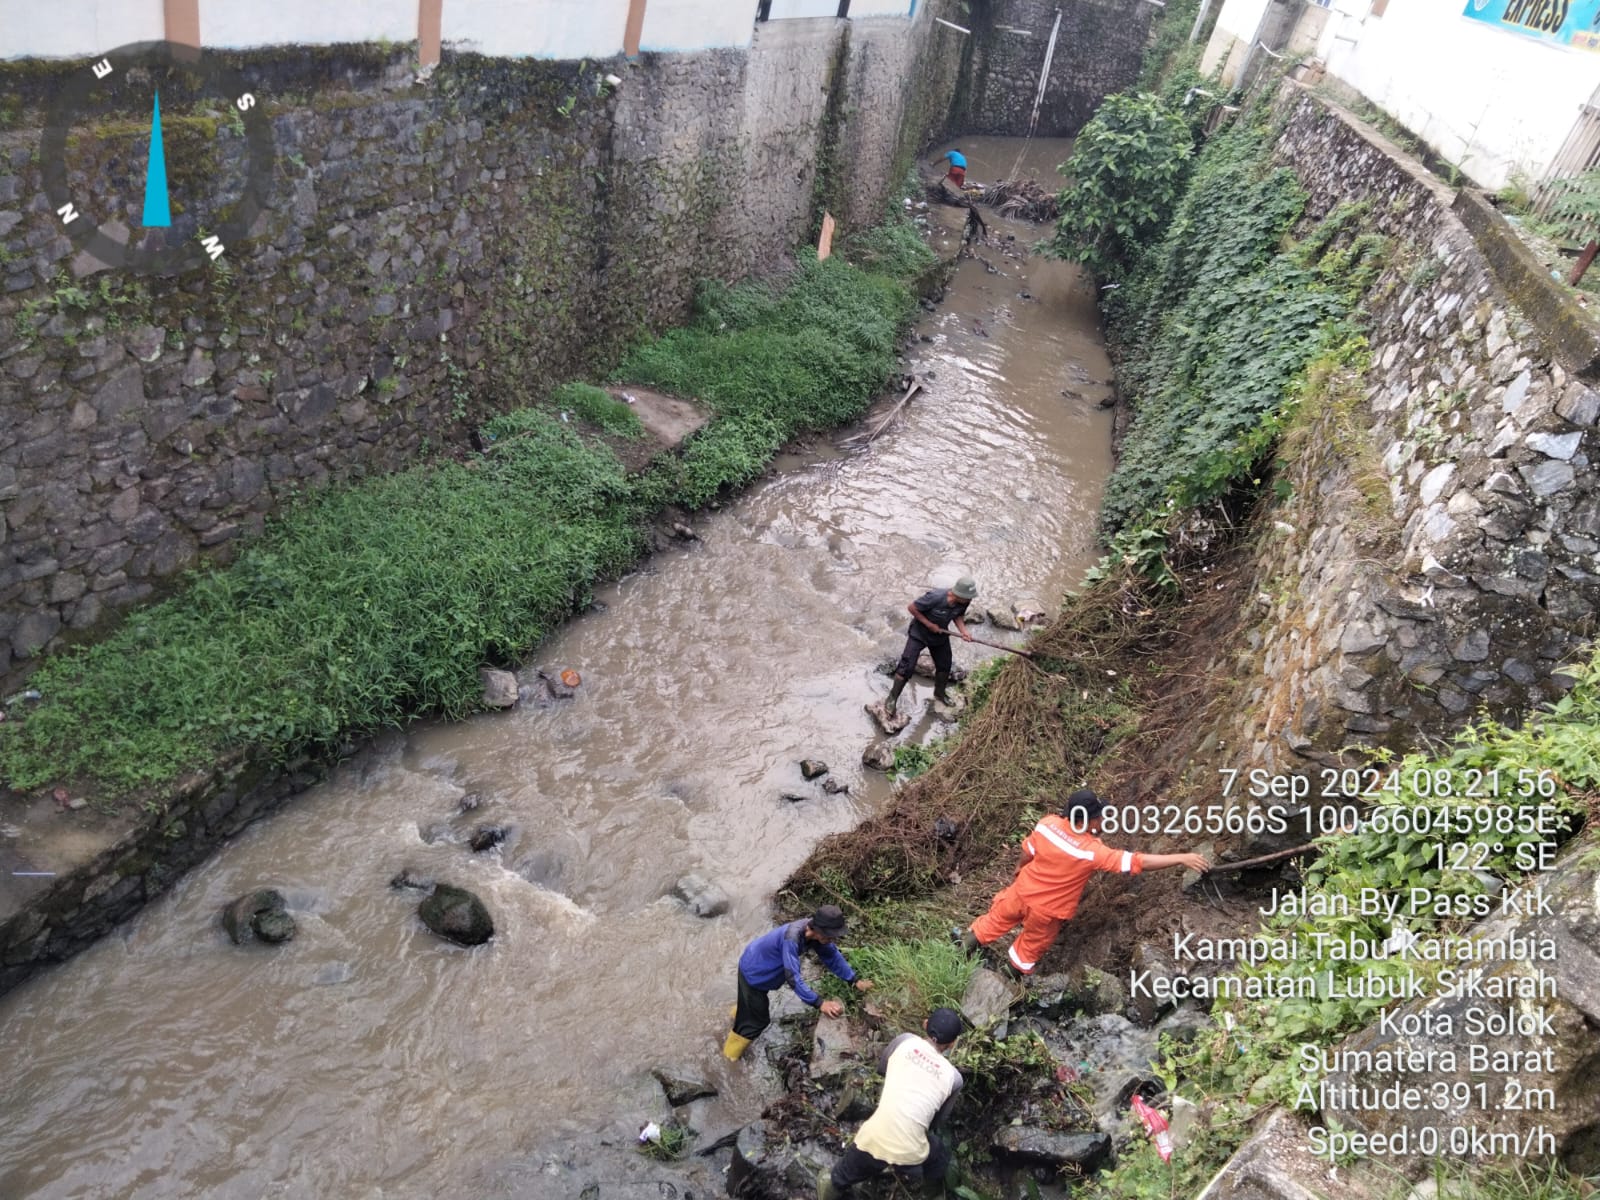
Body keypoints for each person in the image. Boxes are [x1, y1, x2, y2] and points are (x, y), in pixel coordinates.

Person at [963, 789, 1211, 976]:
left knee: (991, 922)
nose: (1103, 820)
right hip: (1046, 912)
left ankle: (959, 954)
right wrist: (1181, 857)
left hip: (1020, 892)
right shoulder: (1092, 852)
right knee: (1028, 950)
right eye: (1100, 816)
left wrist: (1019, 868)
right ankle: (1003, 983)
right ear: (1088, 820)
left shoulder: (1047, 825)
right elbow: (1137, 862)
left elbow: (1027, 851)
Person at [818, 1007, 965, 1200]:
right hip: (911, 1155)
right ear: (952, 1044)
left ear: (925, 1024)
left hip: (872, 1140)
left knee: (836, 1179)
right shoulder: (954, 1078)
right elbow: (937, 1122)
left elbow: (882, 1069)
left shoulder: (904, 1041)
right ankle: (928, 1189)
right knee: (938, 1153)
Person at [724, 905, 874, 1061]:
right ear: (818, 930)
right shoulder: (792, 938)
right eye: (830, 936)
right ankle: (729, 1056)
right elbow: (793, 978)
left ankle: (738, 1015)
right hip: (754, 972)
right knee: (758, 1021)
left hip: (763, 966)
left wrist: (854, 981)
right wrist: (819, 1003)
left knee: (751, 1005)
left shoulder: (814, 936)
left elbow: (832, 956)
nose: (832, 939)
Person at [883, 576, 977, 716]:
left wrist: (964, 632)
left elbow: (958, 616)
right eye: (968, 597)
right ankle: (891, 698)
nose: (970, 599)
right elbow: (912, 608)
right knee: (906, 666)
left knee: (945, 665)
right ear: (959, 594)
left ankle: (939, 694)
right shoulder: (935, 597)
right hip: (919, 634)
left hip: (939, 636)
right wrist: (929, 624)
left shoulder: (963, 602)